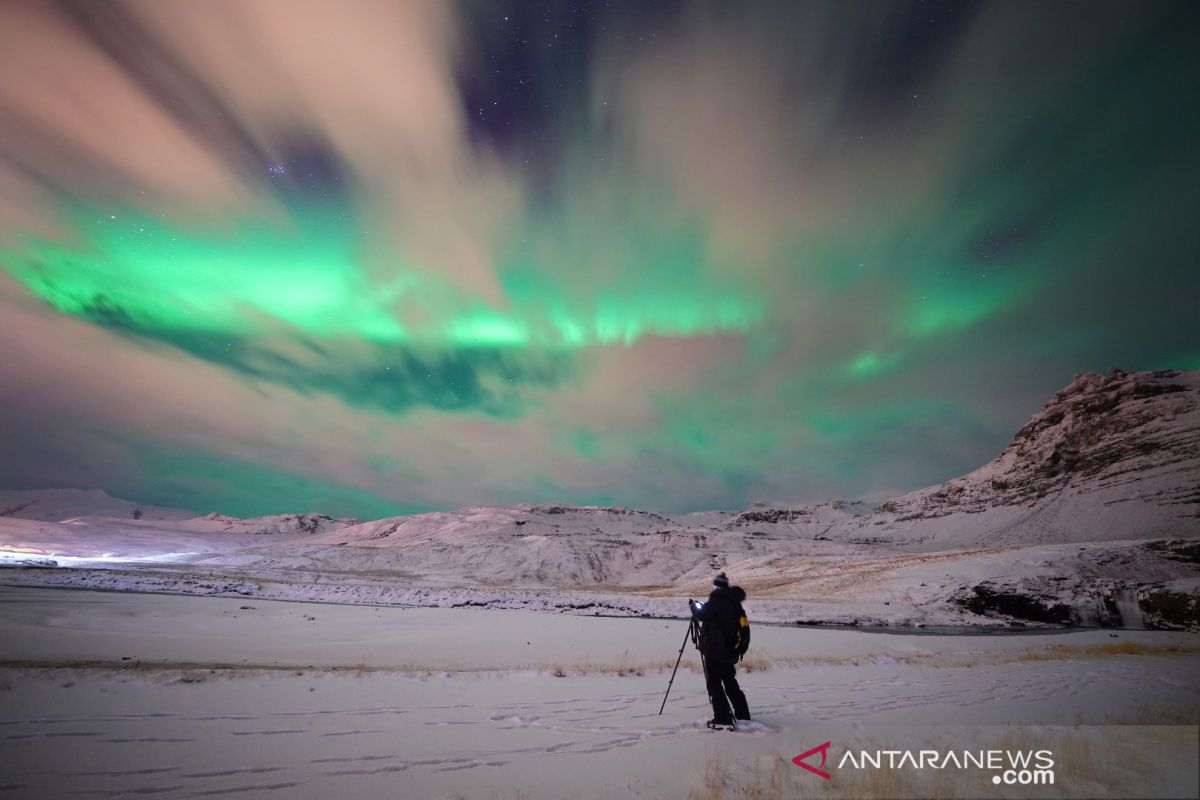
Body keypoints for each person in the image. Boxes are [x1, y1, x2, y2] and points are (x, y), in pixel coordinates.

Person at [690, 572, 751, 729]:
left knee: (714, 683)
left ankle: (723, 718)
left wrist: (693, 607)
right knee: (730, 681)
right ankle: (743, 714)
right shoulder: (734, 601)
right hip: (731, 650)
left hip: (716, 650)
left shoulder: (718, 600)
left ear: (716, 586)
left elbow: (703, 614)